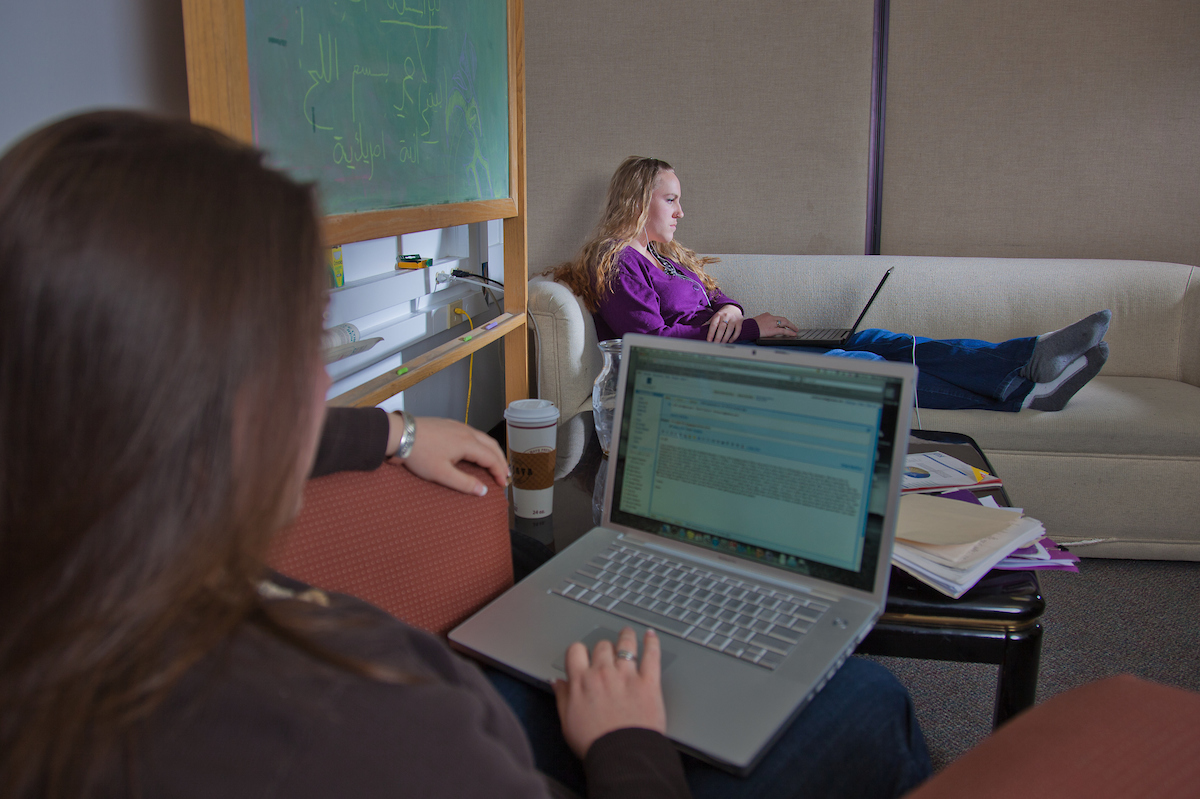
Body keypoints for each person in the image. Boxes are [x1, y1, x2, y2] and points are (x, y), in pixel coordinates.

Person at [0, 112, 929, 799]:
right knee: (868, 700)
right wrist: (627, 749)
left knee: (547, 658)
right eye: (304, 349)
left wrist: (393, 431)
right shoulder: (355, 725)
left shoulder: (58, 569)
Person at [553, 156, 1111, 413]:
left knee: (879, 341)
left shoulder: (666, 255)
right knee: (866, 372)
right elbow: (645, 346)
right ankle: (1023, 387)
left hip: (738, 347)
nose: (681, 209)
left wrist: (731, 309)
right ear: (638, 200)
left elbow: (714, 295)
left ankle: (1028, 359)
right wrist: (746, 327)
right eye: (671, 198)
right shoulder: (618, 261)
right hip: (703, 374)